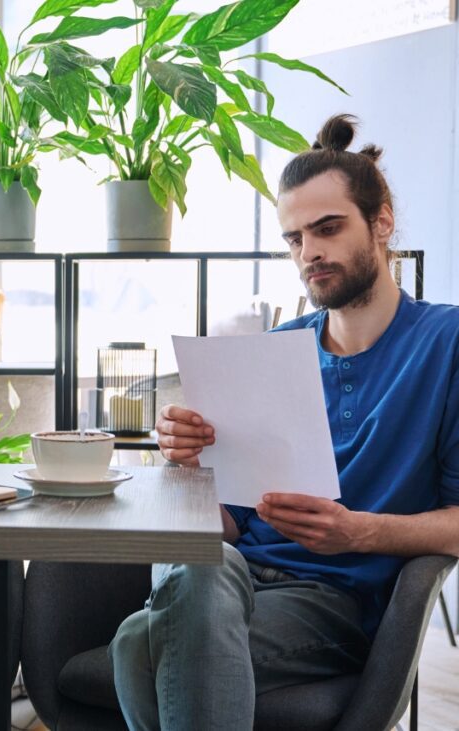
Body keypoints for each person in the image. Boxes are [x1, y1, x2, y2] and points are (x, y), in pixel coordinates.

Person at [109, 114, 459, 730]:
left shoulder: (445, 342)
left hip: (334, 600)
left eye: (327, 229)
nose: (309, 253)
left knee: (138, 645)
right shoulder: (274, 349)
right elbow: (225, 530)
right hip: (228, 577)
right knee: (192, 570)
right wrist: (186, 465)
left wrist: (358, 533)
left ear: (382, 223)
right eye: (294, 238)